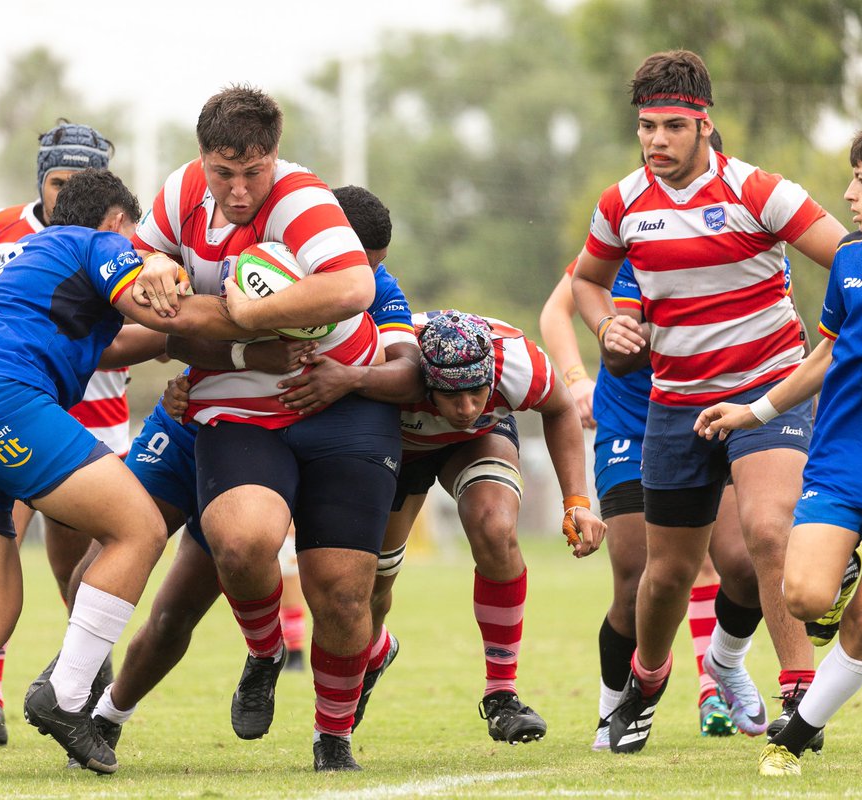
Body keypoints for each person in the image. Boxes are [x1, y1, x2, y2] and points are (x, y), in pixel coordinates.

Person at [0, 168, 254, 780]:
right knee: (139, 528)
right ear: (117, 222)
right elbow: (162, 310)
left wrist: (167, 345)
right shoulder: (99, 241)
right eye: (135, 238)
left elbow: (112, 345)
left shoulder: (30, 257)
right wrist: (254, 317)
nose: (139, 250)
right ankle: (68, 695)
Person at [570, 50, 849, 754]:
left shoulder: (760, 192)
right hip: (676, 405)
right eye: (645, 127)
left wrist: (836, 342)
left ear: (703, 125)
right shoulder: (623, 202)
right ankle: (648, 682)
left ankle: (796, 696)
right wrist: (608, 325)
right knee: (663, 575)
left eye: (670, 127)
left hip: (769, 392)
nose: (656, 141)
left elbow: (849, 263)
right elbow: (585, 285)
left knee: (766, 533)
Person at [78, 185, 419, 753]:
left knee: (341, 594)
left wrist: (350, 378)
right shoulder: (250, 261)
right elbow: (170, 333)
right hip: (212, 428)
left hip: (329, 439)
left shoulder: (375, 288)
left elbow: (406, 371)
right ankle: (95, 700)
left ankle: (332, 735)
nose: (368, 272)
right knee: (169, 600)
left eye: (371, 265)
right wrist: (159, 276)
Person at [129, 85, 406, 772]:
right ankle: (263, 651)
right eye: (225, 172)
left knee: (342, 592)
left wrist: (248, 313)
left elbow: (351, 289)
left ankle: (333, 737)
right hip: (239, 403)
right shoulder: (178, 195)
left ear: (275, 157)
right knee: (242, 543)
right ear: (203, 159)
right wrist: (155, 264)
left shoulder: (303, 198)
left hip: (343, 404)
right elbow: (132, 285)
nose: (240, 188)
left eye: (254, 171)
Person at [694, 120, 862, 777]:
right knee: (803, 597)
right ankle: (840, 573)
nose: (849, 193)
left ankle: (791, 741)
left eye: (860, 178)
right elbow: (826, 352)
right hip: (844, 457)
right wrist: (754, 410)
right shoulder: (850, 260)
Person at [0, 122, 154, 748]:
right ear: (40, 177)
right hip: (10, 416)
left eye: (79, 184)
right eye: (58, 181)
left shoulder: (117, 239)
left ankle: (80, 690)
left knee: (79, 572)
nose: (66, 195)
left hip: (94, 426)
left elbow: (123, 333)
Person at [541, 248, 765, 749]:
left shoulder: (732, 228)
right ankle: (616, 710)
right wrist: (577, 380)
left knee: (743, 566)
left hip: (706, 415)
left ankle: (721, 668)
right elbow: (558, 310)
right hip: (630, 424)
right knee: (639, 574)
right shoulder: (619, 235)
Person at [352, 310, 606, 744]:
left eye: (476, 393)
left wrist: (577, 502)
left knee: (495, 527)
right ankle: (375, 651)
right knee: (371, 585)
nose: (467, 408)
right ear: (423, 380)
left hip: (476, 443)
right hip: (397, 446)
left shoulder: (520, 364)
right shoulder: (383, 361)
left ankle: (502, 694)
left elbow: (561, 409)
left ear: (492, 373)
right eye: (452, 397)